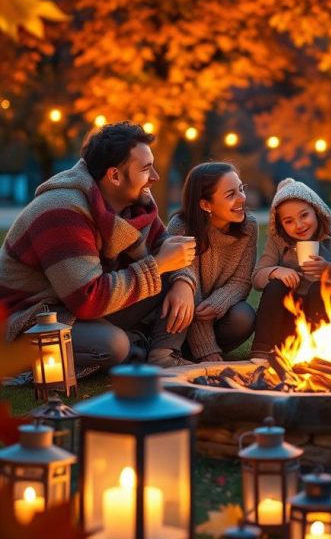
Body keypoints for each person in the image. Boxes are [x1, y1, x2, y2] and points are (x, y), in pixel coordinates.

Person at [0, 122, 197, 373]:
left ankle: (162, 354)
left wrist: (182, 281)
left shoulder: (137, 203)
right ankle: (135, 343)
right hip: (35, 317)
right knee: (113, 345)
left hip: (81, 307)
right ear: (114, 175)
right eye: (146, 169)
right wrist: (158, 265)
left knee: (180, 281)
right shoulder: (62, 210)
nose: (155, 177)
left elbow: (169, 247)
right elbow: (88, 299)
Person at [250, 178, 331, 358]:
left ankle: (323, 350)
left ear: (317, 211)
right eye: (288, 221)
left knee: (320, 287)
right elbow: (256, 278)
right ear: (280, 224)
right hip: (292, 318)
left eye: (304, 215)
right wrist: (276, 271)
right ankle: (263, 349)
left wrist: (328, 270)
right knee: (275, 286)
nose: (299, 225)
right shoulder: (278, 241)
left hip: (325, 314)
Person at [167, 162, 257, 363]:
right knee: (183, 299)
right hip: (180, 315)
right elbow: (187, 288)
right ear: (205, 204)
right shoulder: (181, 227)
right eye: (230, 194)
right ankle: (179, 351)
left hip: (217, 315)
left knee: (244, 316)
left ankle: (196, 353)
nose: (242, 198)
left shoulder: (249, 227)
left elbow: (242, 281)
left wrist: (218, 303)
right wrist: (205, 347)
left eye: (241, 189)